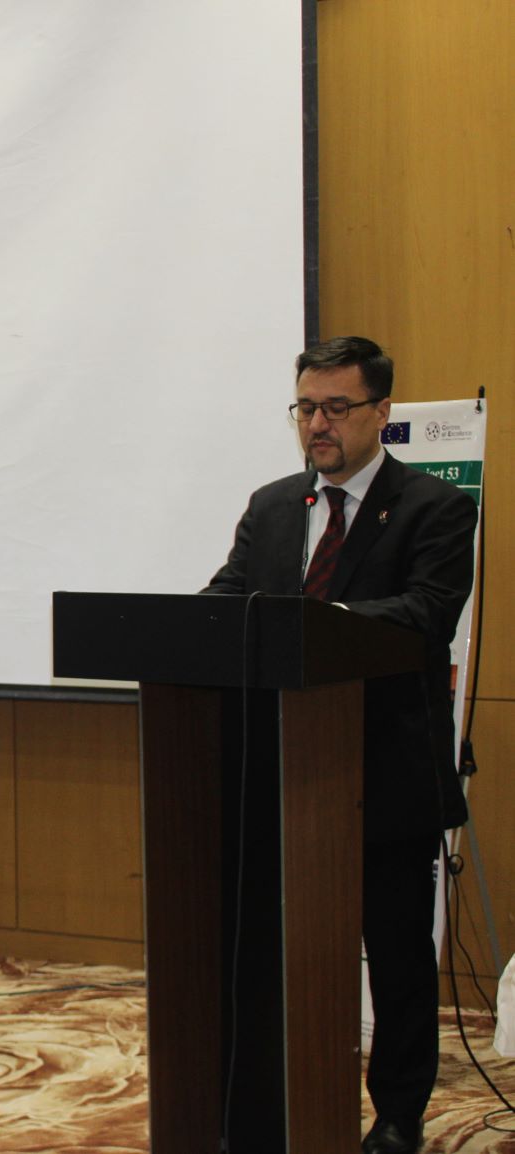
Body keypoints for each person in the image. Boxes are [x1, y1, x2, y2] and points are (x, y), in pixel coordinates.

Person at [202, 336, 478, 1154]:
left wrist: (323, 628)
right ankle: (264, 1095)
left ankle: (398, 1113)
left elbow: (427, 612)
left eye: (335, 409)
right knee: (269, 952)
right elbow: (228, 600)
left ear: (381, 414)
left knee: (395, 956)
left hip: (385, 772)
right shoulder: (273, 505)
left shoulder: (435, 507)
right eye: (305, 408)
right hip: (278, 772)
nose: (316, 426)